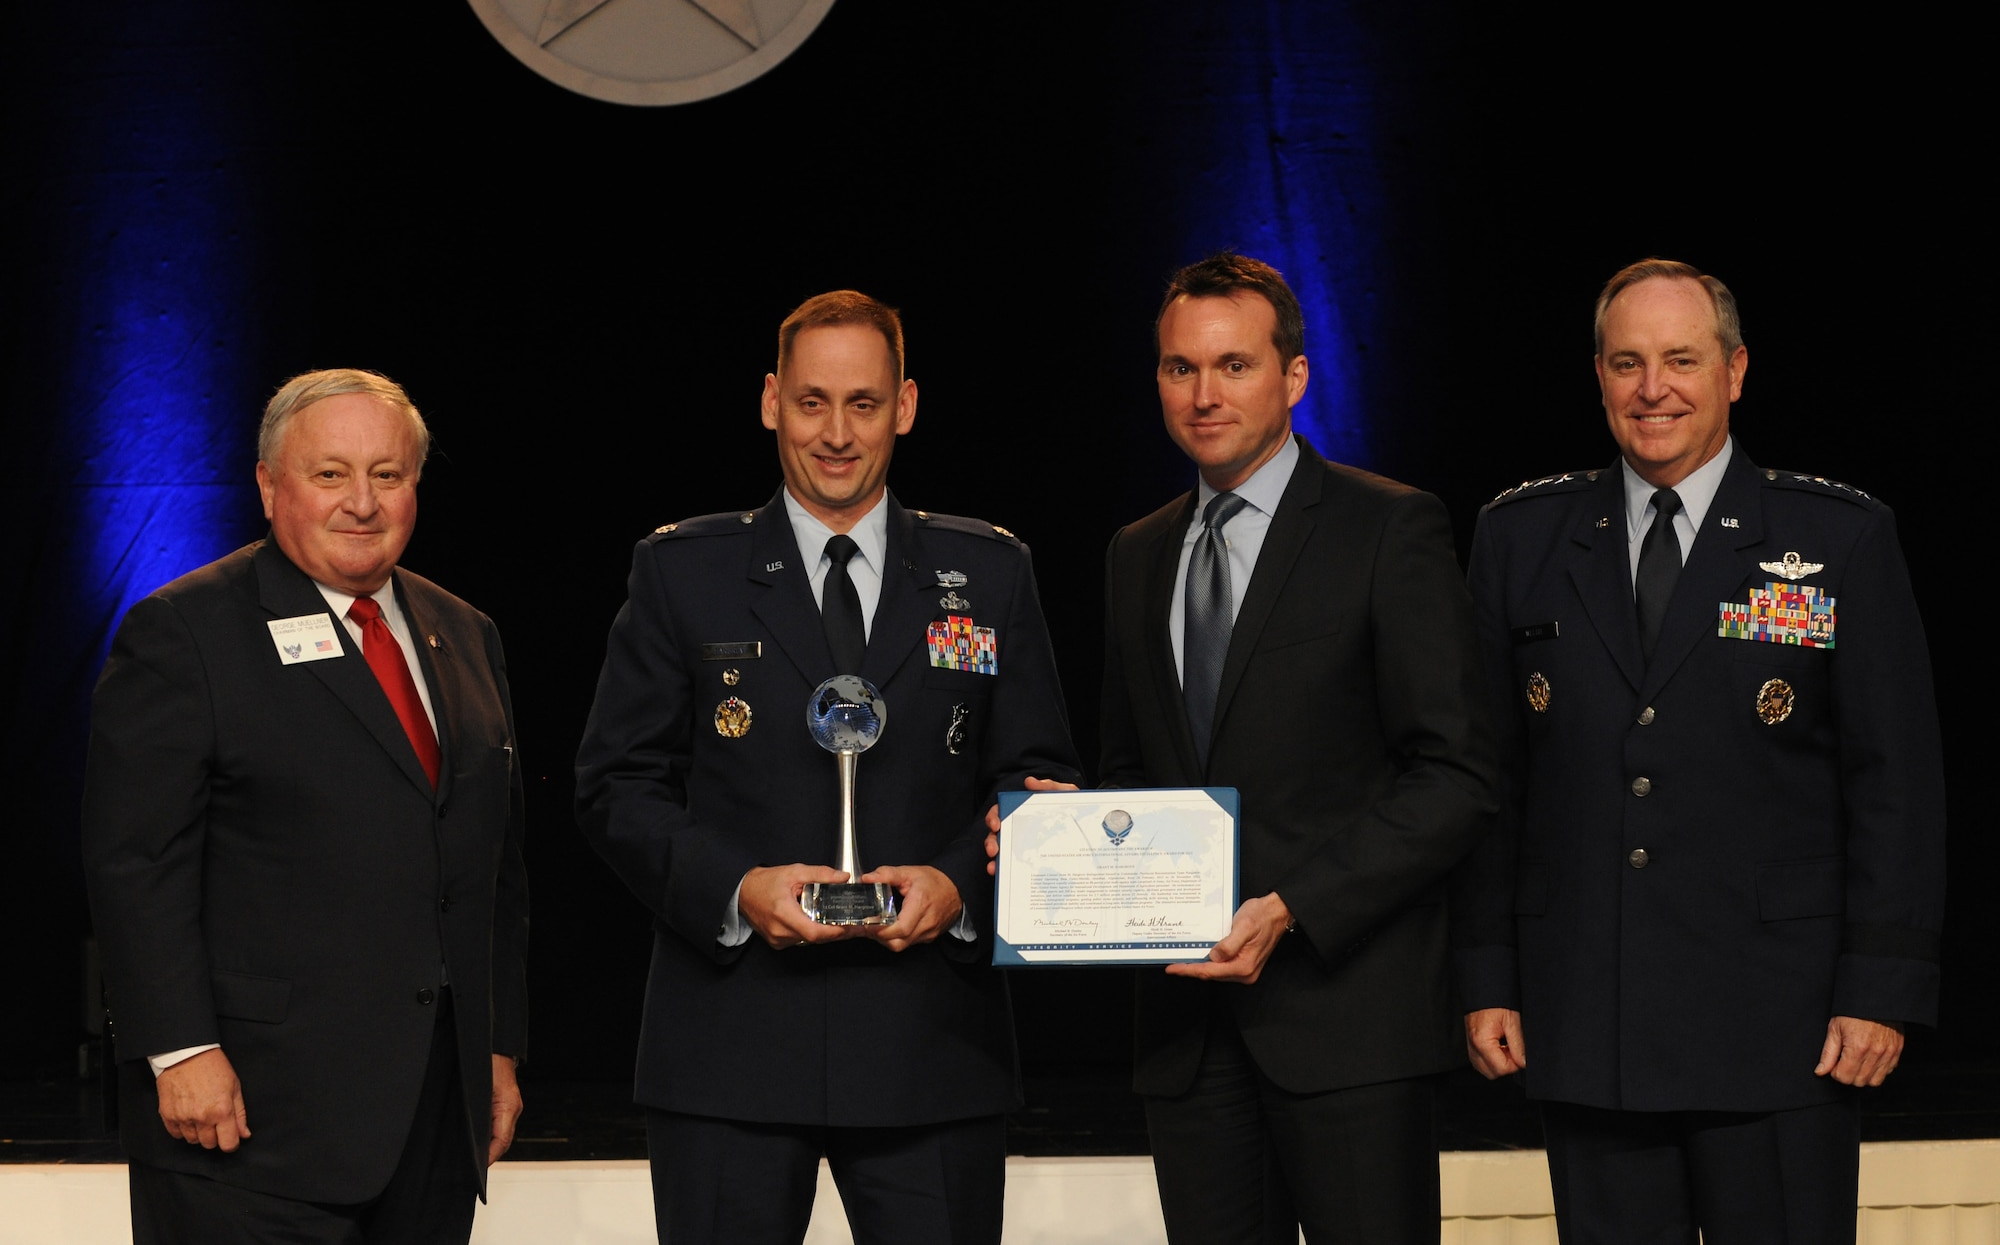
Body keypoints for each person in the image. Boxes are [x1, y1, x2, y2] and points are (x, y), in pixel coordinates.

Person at [1453, 259, 1946, 1242]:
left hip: (1782, 1020)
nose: (1652, 388)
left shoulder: (1832, 539)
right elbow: (1487, 780)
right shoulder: (1521, 539)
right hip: (1589, 1010)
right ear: (1596, 376)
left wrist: (1879, 987)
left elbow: (1894, 783)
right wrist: (1484, 974)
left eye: (1680, 359)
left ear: (1734, 370)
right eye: (1626, 362)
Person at [574, 291, 1080, 1244]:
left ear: (907, 404)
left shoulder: (992, 572)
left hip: (931, 1045)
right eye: (812, 402)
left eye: (863, 402)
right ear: (770, 401)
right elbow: (613, 784)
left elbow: (1039, 786)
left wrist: (959, 888)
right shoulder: (683, 570)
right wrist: (735, 887)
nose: (838, 434)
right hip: (731, 1045)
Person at [1084, 253, 1501, 1241]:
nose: (1202, 393)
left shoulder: (1386, 527)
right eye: (1179, 369)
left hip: (1348, 1022)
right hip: (1187, 1037)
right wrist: (1063, 851)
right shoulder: (1134, 552)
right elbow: (1128, 773)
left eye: (1232, 365)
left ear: (1294, 377)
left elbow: (1454, 775)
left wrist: (1292, 909)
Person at [82, 369, 529, 1245]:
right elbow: (136, 861)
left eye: (388, 475)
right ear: (268, 484)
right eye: (331, 474)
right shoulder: (184, 633)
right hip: (246, 1124)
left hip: (432, 1124)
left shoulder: (464, 630)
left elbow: (495, 867)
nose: (362, 501)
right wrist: (179, 1049)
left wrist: (496, 1046)